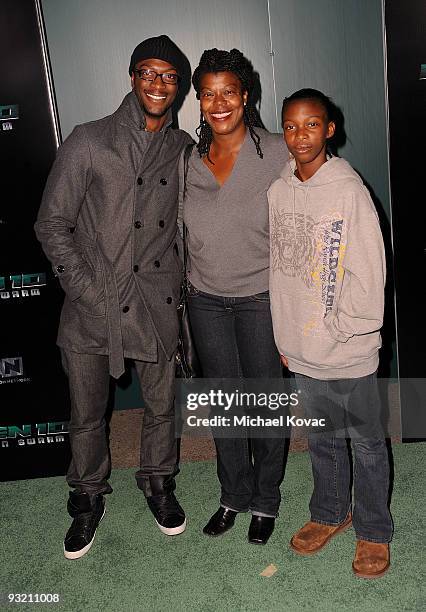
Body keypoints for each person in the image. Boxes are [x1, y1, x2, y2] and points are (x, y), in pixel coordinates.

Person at [35, 35, 193, 560]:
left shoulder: (184, 148)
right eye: (148, 72)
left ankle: (158, 481)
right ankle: (85, 496)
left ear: (179, 87)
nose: (157, 83)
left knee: (161, 408)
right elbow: (52, 225)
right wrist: (86, 289)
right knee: (86, 414)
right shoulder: (88, 140)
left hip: (157, 302)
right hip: (91, 306)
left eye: (169, 76)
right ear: (131, 77)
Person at [268, 88, 392, 577]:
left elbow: (370, 272)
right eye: (291, 126)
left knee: (364, 441)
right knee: (321, 439)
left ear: (330, 129)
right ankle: (329, 512)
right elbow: (281, 269)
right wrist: (287, 334)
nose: (300, 136)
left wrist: (342, 330)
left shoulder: (349, 191)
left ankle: (374, 529)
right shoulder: (278, 191)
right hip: (301, 349)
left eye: (311, 125)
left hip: (348, 347)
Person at [183, 48, 289, 545]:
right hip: (205, 299)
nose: (218, 103)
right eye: (208, 93)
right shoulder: (188, 159)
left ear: (246, 96)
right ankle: (233, 495)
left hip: (262, 297)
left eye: (229, 91)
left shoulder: (278, 151)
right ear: (199, 101)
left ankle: (266, 500)